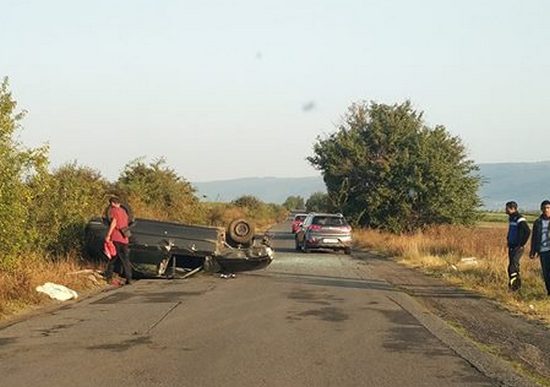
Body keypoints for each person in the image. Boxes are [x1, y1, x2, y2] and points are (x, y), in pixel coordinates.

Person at [104, 197, 133, 285]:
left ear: (112, 203)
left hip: (116, 237)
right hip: (125, 238)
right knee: (125, 259)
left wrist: (108, 235)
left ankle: (108, 277)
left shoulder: (114, 210)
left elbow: (114, 222)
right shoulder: (124, 212)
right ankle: (129, 278)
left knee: (113, 258)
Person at [505, 201, 530, 291]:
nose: (505, 210)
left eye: (507, 208)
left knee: (513, 267)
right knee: (512, 267)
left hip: (517, 247)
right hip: (512, 246)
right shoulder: (511, 218)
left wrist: (521, 244)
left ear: (512, 208)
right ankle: (516, 287)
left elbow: (527, 231)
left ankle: (514, 288)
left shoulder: (519, 218)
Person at [529, 200, 550, 296]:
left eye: (548, 208)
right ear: (541, 209)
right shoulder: (538, 222)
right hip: (543, 250)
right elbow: (534, 237)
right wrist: (533, 250)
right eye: (544, 208)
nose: (546, 210)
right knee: (546, 273)